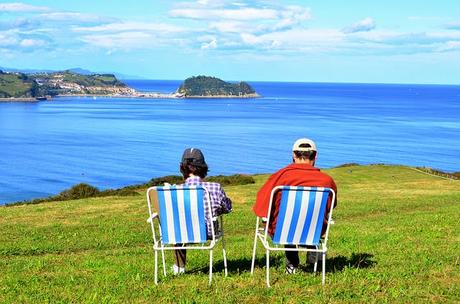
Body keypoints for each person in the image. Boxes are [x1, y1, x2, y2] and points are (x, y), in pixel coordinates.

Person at [252, 138, 337, 273]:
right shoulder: (327, 181)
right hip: (313, 230)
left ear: (293, 155)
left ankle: (292, 264)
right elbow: (331, 205)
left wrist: (266, 218)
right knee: (310, 219)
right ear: (316, 156)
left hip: (282, 231)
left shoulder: (280, 177)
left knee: (285, 221)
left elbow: (261, 205)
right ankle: (312, 248)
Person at [172, 148, 232, 274]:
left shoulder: (174, 191)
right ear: (203, 168)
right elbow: (227, 208)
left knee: (179, 227)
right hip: (208, 233)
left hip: (180, 233)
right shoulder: (215, 187)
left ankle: (178, 268)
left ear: (182, 168)